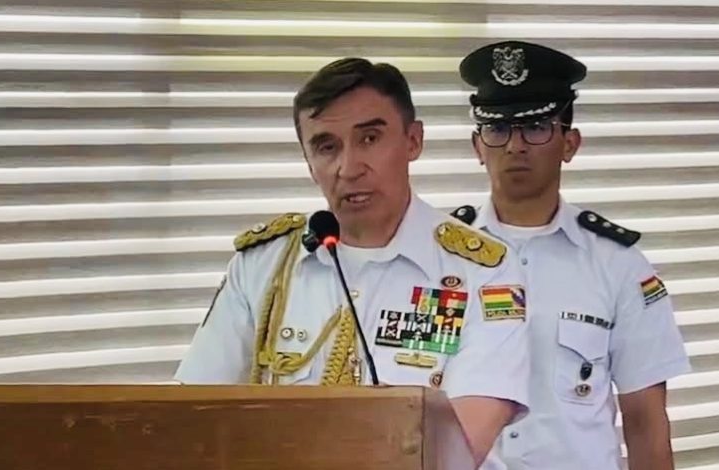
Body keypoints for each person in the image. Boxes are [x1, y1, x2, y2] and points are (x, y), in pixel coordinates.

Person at [175, 57, 530, 468]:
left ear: (413, 141)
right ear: (309, 162)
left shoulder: (484, 271)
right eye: (327, 147)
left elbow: (460, 445)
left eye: (369, 139)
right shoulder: (263, 266)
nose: (349, 168)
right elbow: (191, 414)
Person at [453, 41, 691, 470]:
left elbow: (646, 424)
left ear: (570, 143)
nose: (515, 145)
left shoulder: (618, 265)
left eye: (535, 127)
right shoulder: (438, 257)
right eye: (498, 129)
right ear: (477, 146)